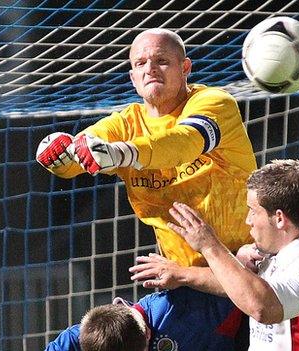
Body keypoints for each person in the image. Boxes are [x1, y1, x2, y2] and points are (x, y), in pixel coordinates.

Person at [36, 28, 256, 268]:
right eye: (140, 63)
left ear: (185, 68)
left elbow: (185, 141)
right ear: (132, 78)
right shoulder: (124, 124)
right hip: (183, 276)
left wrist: (124, 153)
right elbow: (79, 153)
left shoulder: (215, 102)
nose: (149, 69)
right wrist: (59, 157)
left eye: (161, 61)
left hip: (249, 263)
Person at [166, 159, 299, 350]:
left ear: (280, 218)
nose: (248, 220)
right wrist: (181, 274)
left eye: (253, 211)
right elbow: (239, 286)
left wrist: (210, 247)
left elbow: (263, 307)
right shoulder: (278, 251)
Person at [45, 287, 245, 351]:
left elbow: (238, 289)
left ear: (148, 333)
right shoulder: (82, 338)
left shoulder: (176, 308)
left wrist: (188, 275)